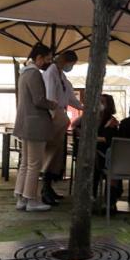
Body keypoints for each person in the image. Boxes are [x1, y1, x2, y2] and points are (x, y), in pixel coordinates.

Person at [13, 43, 58, 212]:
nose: (48, 62)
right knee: (34, 164)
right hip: (36, 124)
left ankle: (21, 197)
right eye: (47, 59)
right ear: (38, 58)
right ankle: (31, 199)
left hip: (25, 123)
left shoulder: (24, 74)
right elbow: (39, 99)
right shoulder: (34, 74)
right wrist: (52, 104)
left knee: (25, 163)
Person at [42, 50, 84, 205]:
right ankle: (45, 188)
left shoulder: (62, 76)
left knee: (58, 155)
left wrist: (82, 107)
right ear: (65, 61)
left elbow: (71, 98)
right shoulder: (50, 73)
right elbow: (50, 97)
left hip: (60, 116)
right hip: (55, 116)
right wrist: (54, 116)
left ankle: (49, 187)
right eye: (71, 64)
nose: (71, 67)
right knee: (51, 153)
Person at [71, 94, 121, 205]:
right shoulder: (91, 118)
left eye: (102, 102)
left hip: (103, 154)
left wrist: (89, 137)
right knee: (91, 158)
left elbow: (107, 139)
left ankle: (91, 194)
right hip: (92, 152)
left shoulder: (111, 121)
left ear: (108, 105)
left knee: (93, 159)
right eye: (98, 102)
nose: (99, 105)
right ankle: (90, 194)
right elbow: (74, 125)